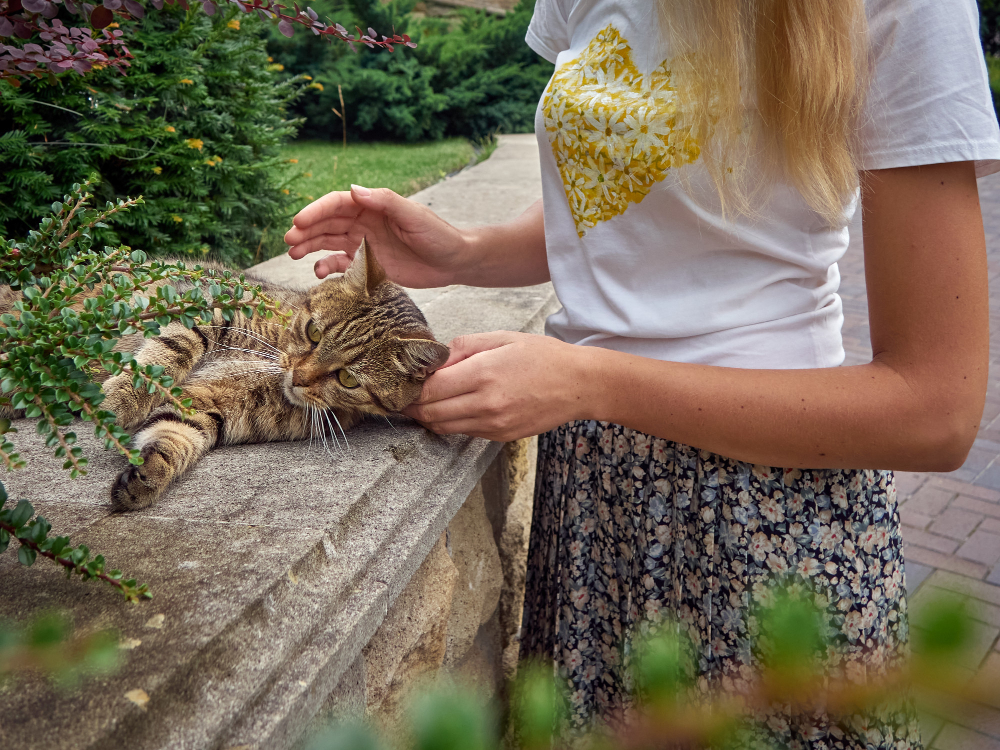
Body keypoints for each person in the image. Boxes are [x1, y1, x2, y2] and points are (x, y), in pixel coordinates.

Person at [285, 0, 1000, 745]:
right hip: (594, 496)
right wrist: (467, 250)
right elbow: (631, 196)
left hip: (764, 516)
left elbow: (935, 412)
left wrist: (591, 382)